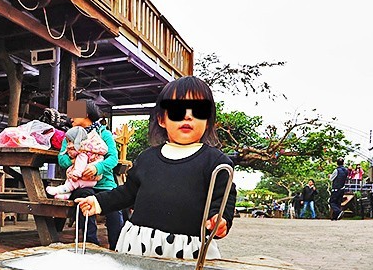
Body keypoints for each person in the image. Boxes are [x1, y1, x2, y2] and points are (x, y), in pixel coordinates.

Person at [77, 76, 236, 259]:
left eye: (198, 110)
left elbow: (224, 197)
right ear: (162, 119)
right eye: (177, 110)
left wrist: (220, 220)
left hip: (187, 249)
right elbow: (128, 192)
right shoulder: (147, 158)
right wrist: (98, 202)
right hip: (139, 243)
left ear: (208, 120)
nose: (187, 116)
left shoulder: (217, 162)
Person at [60, 99, 124, 250]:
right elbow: (61, 159)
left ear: (86, 114)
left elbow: (113, 158)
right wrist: (77, 163)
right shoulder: (69, 135)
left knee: (115, 210)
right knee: (83, 201)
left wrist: (97, 168)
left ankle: (117, 248)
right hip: (81, 184)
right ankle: (91, 246)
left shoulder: (104, 134)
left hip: (105, 184)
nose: (71, 118)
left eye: (75, 113)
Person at [45, 126, 108, 198]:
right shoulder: (88, 147)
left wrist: (76, 173)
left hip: (88, 177)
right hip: (89, 178)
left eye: (69, 141)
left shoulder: (83, 153)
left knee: (75, 182)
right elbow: (62, 159)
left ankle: (62, 189)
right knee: (71, 177)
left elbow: (81, 164)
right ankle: (66, 194)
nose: (72, 119)